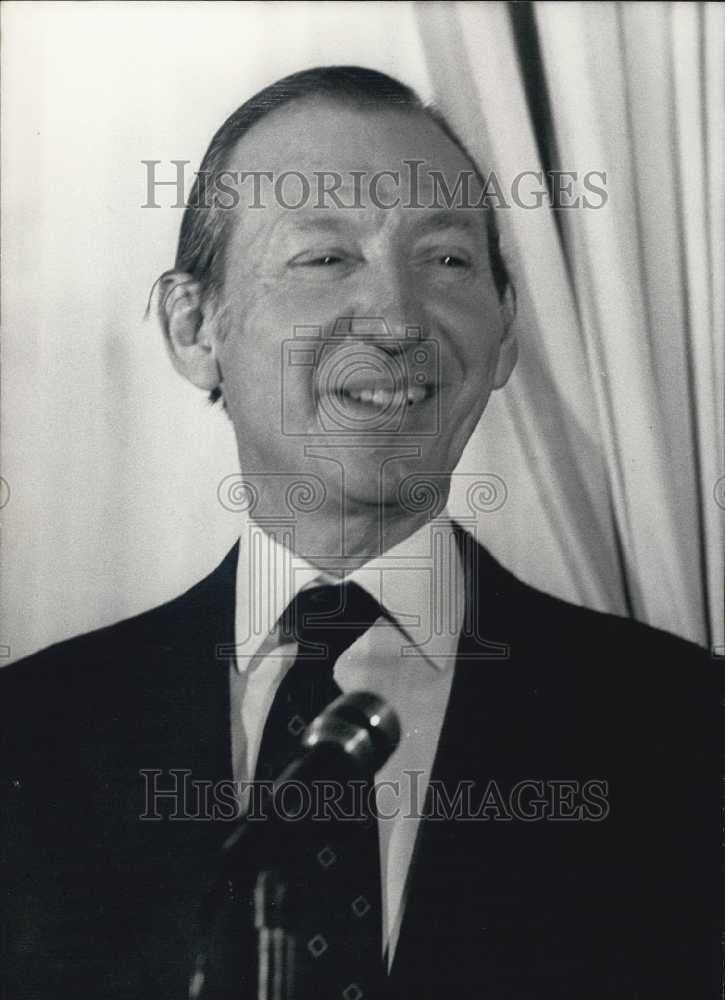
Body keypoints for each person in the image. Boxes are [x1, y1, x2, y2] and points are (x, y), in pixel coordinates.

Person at [1, 67, 718, 1000]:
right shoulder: (28, 736)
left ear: (504, 331)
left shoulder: (685, 731)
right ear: (192, 327)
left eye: (448, 260)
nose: (393, 318)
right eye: (324, 257)